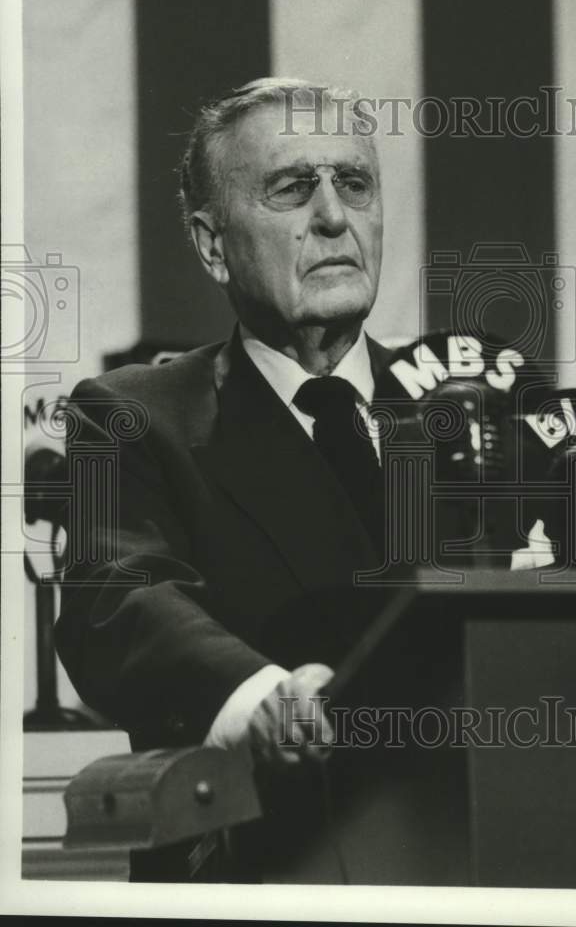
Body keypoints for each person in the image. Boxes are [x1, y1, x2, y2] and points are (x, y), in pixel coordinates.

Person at [55, 78, 405, 881]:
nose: (332, 216)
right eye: (292, 188)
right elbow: (116, 599)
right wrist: (264, 700)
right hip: (262, 861)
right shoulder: (130, 414)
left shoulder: (468, 406)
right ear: (213, 246)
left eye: (354, 183)